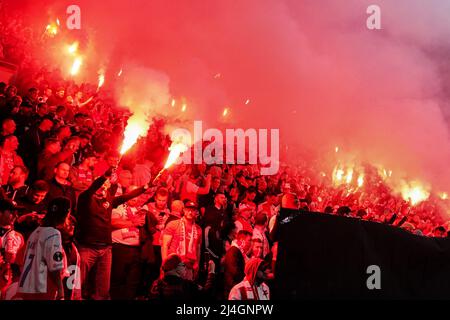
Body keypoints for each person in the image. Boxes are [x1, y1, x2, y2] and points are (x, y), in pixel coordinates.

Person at [75, 167, 151, 300]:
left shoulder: (108, 200)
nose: (104, 187)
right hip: (88, 247)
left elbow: (127, 196)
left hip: (105, 249)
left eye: (106, 184)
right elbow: (93, 187)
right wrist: (105, 176)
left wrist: (145, 187)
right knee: (77, 282)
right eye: (102, 184)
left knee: (103, 288)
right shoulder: (85, 198)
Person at [17, 197, 71, 300]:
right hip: (43, 288)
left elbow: (20, 260)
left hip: (26, 287)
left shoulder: (35, 232)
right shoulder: (54, 234)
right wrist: (60, 290)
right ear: (66, 213)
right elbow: (55, 267)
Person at [110, 185, 147, 300]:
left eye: (137, 195)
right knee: (118, 278)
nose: (135, 198)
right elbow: (113, 222)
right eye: (133, 194)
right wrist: (133, 222)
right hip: (121, 248)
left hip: (136, 249)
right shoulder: (118, 207)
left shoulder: (141, 210)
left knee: (133, 281)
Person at [161, 200, 202, 281]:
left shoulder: (198, 229)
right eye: (188, 209)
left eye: (193, 210)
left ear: (196, 212)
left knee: (186, 291)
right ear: (183, 210)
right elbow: (164, 245)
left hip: (189, 265)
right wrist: (164, 263)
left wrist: (197, 263)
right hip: (174, 265)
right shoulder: (173, 224)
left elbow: (197, 247)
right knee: (172, 290)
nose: (190, 212)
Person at [149, 253, 216, 300]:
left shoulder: (156, 285)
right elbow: (206, 294)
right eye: (183, 265)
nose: (185, 268)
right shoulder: (186, 285)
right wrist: (211, 272)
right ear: (176, 267)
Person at [0, 199, 24, 296]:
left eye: (16, 212)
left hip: (8, 284)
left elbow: (20, 265)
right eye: (11, 212)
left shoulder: (18, 236)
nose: (15, 215)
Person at [223, 230, 252, 298]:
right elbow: (235, 272)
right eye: (249, 240)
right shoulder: (233, 251)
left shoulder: (238, 252)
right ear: (242, 240)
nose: (251, 243)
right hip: (233, 291)